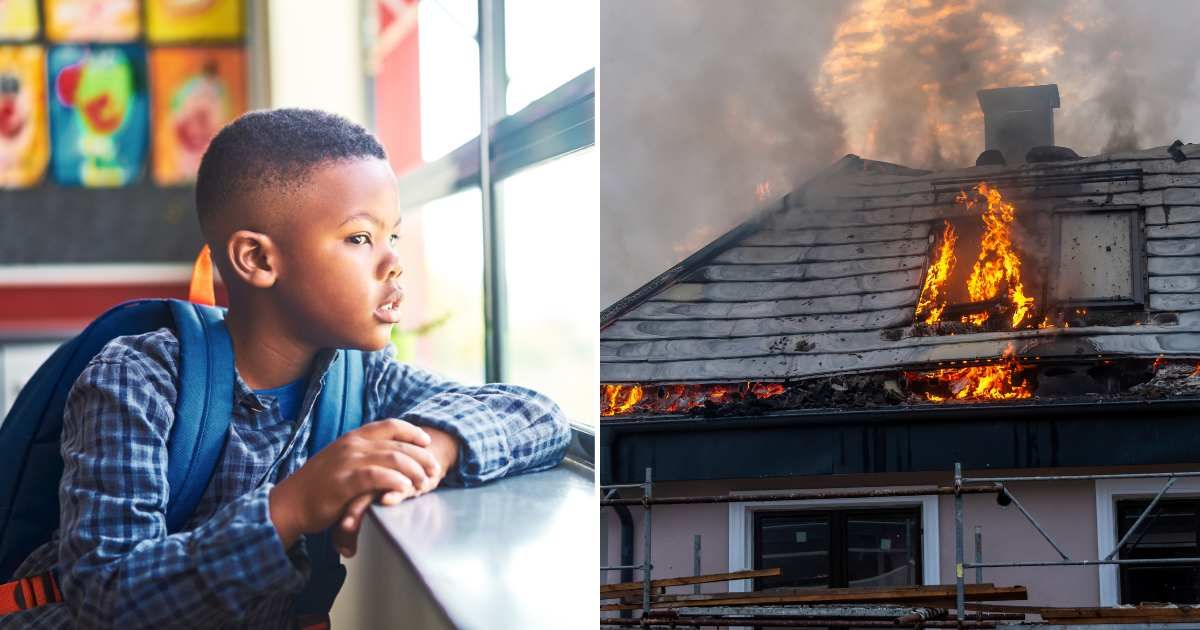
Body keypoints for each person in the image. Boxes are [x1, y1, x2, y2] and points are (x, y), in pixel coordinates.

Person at [2, 108, 571, 628]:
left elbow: (537, 414)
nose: (394, 262)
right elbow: (108, 598)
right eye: (360, 238)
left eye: (392, 235)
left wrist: (430, 449)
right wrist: (294, 506)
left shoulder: (359, 377)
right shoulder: (137, 379)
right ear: (258, 259)